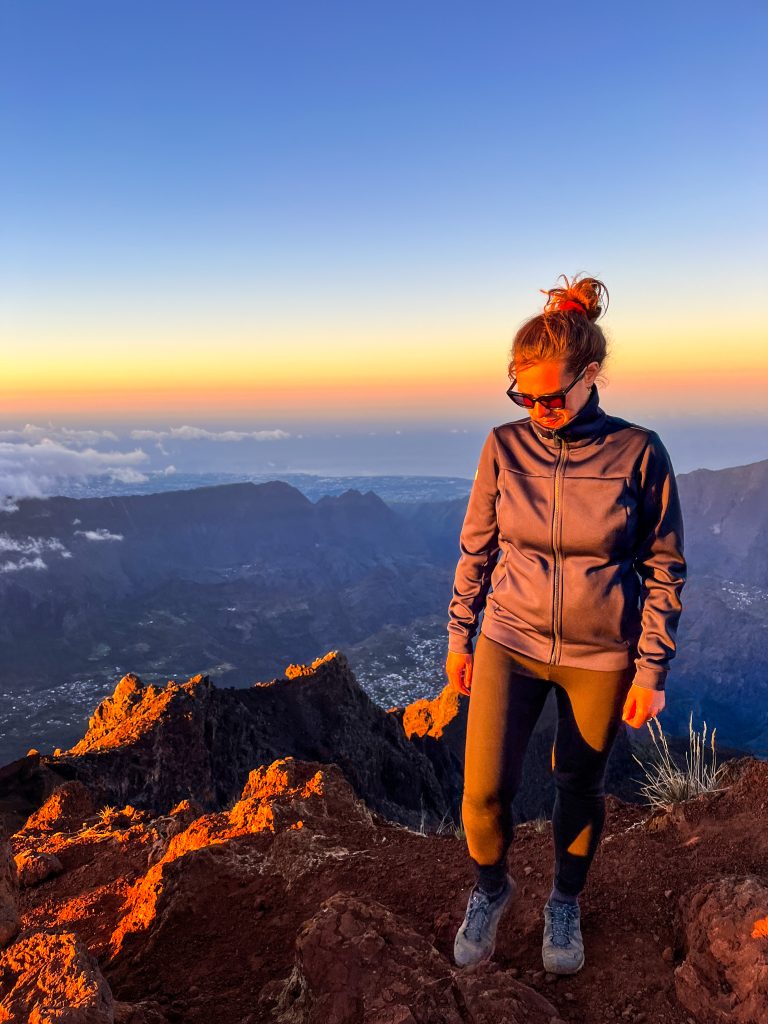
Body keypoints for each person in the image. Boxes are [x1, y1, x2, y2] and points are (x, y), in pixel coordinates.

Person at [445, 273, 687, 974]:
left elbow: (665, 568)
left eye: (554, 395)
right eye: (526, 396)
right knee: (483, 791)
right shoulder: (503, 446)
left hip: (600, 653)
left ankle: (564, 902)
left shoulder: (639, 453)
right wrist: (460, 637)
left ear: (591, 375)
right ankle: (491, 888)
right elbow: (477, 548)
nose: (541, 409)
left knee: (577, 785)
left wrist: (651, 669)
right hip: (510, 641)